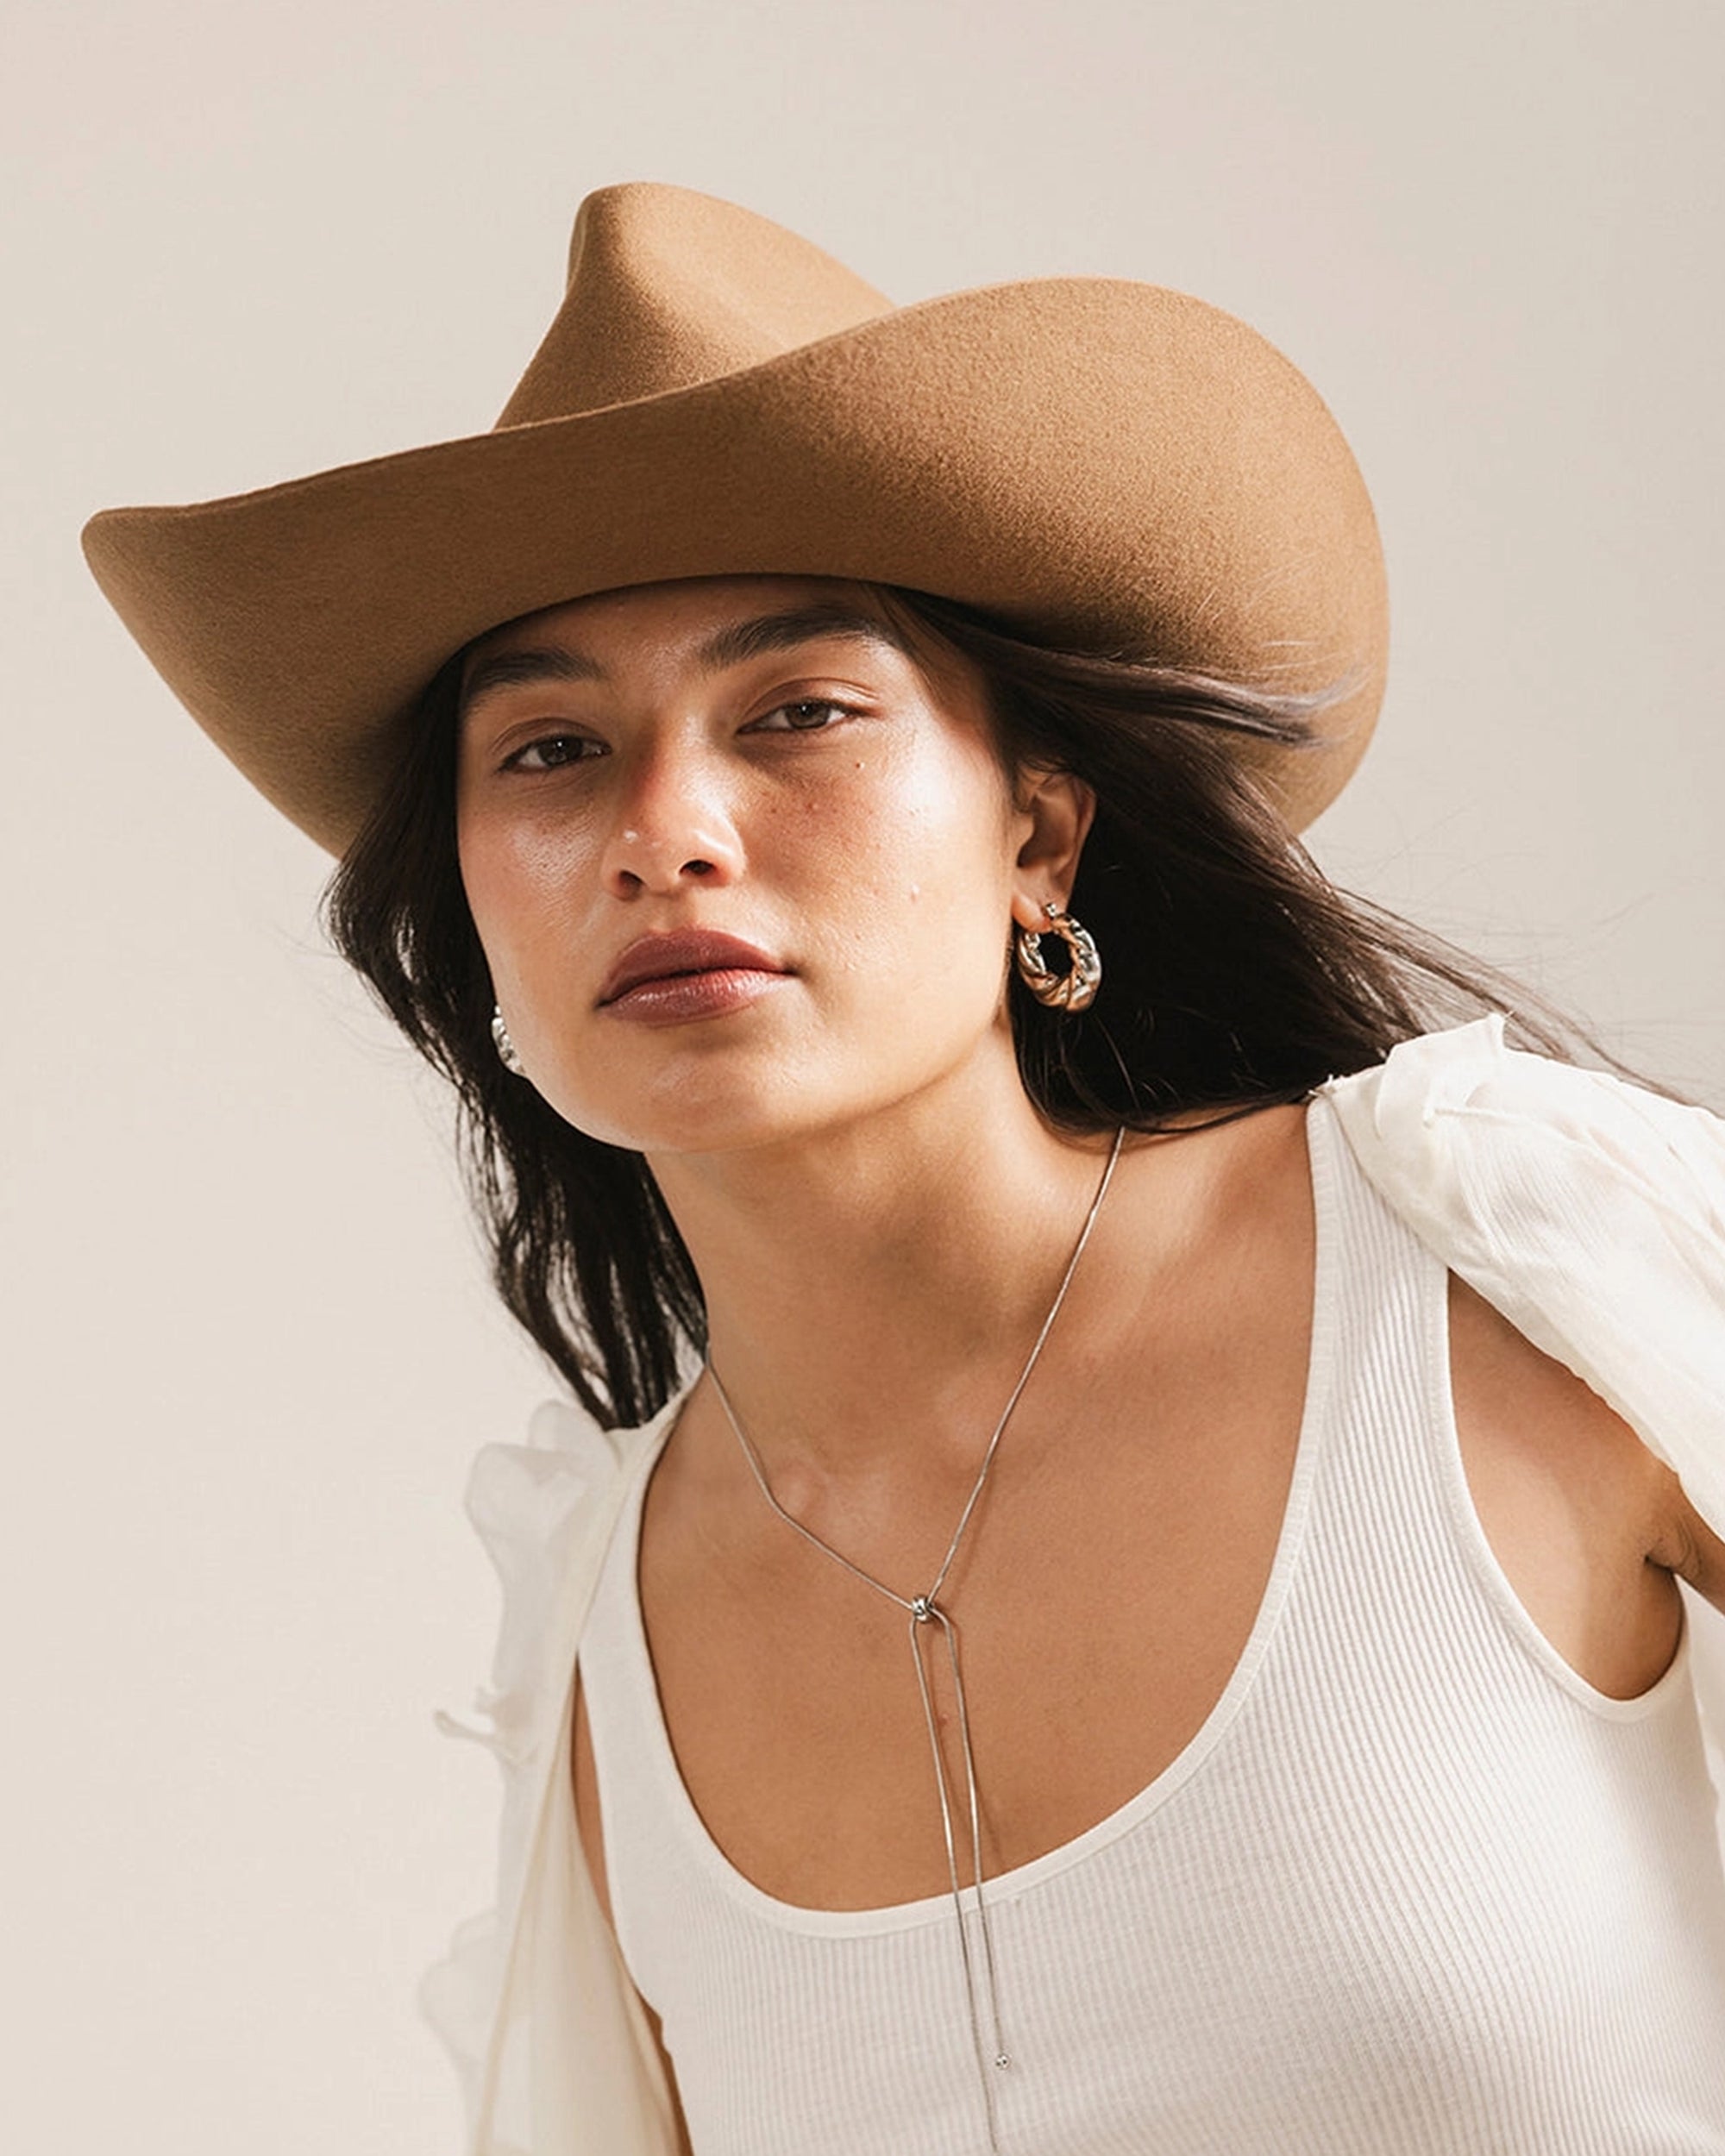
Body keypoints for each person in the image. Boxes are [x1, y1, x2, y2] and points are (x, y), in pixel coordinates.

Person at [84, 184, 1725, 2156]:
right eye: (547, 753)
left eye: (798, 712)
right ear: (467, 905)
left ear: (1040, 830)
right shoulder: (611, 1620)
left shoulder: (1496, 1261)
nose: (667, 828)